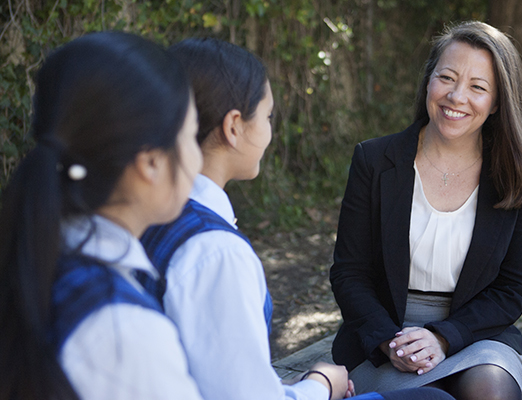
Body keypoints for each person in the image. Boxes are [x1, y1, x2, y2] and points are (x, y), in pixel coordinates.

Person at [140, 37, 456, 400]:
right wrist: (321, 384)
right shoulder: (216, 252)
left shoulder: (143, 215)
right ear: (233, 127)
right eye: (268, 116)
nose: (270, 130)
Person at [330, 21, 522, 400]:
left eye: (478, 87)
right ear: (429, 81)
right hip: (384, 337)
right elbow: (350, 272)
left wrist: (444, 337)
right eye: (446, 77)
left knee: (488, 392)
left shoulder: (520, 174)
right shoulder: (374, 160)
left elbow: (515, 287)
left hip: (476, 335)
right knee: (429, 398)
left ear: (497, 101)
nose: (456, 96)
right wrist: (389, 342)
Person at [0, 32, 205, 399]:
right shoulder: (124, 331)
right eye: (191, 136)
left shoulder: (34, 253)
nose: (197, 158)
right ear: (151, 162)